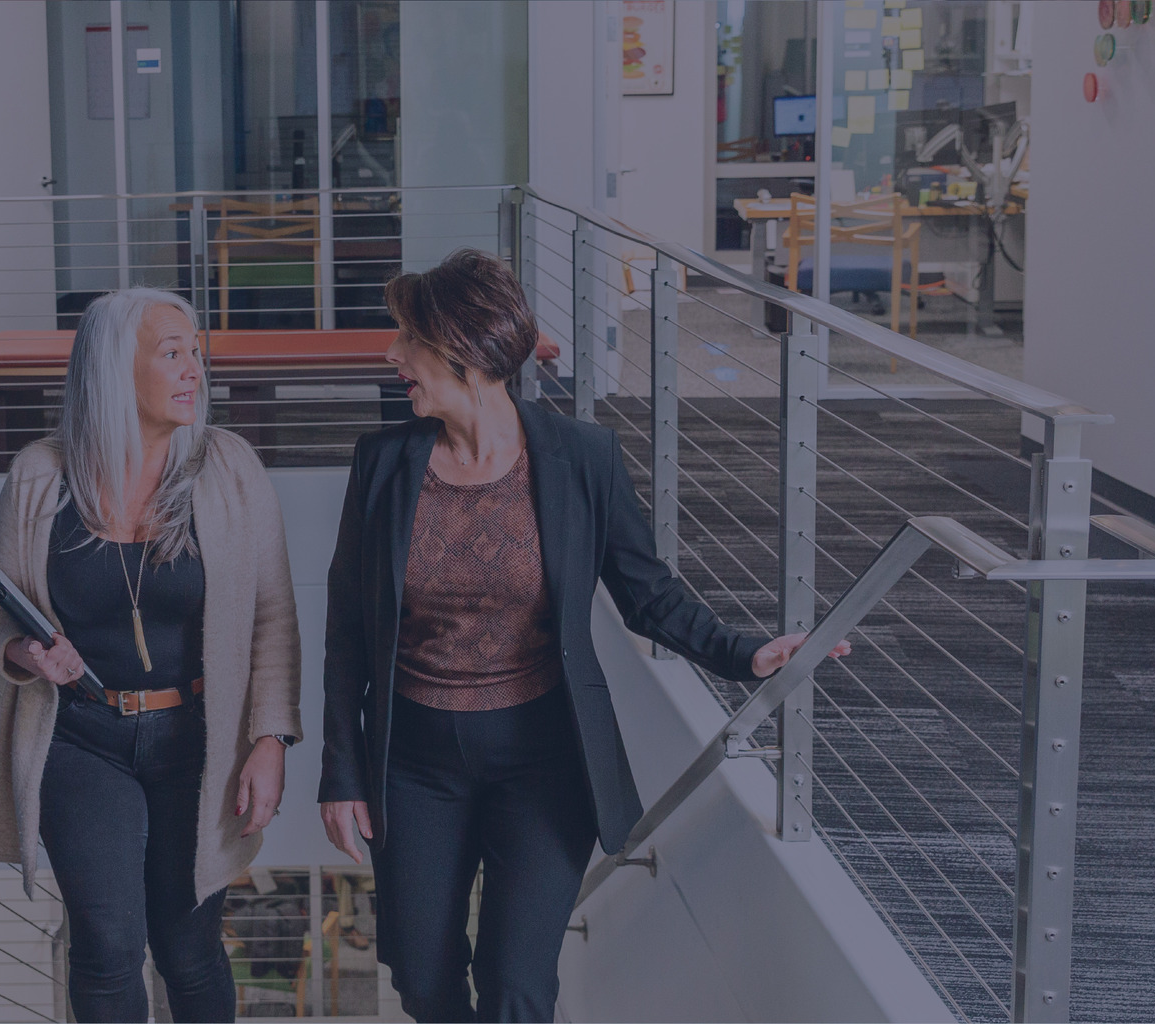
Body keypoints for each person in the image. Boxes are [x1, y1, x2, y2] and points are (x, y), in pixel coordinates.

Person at [315, 250, 847, 1023]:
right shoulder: (384, 464)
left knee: (516, 984)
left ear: (462, 353)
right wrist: (342, 770)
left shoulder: (580, 459)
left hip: (544, 759)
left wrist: (744, 652)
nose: (393, 356)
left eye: (409, 340)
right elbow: (347, 630)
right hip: (414, 762)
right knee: (421, 973)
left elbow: (646, 593)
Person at [0, 288, 302, 1023]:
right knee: (106, 946)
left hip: (198, 742)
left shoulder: (228, 468)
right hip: (84, 738)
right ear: (113, 369)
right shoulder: (39, 475)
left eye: (195, 352)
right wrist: (22, 649)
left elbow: (272, 615)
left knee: (188, 952)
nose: (194, 370)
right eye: (172, 353)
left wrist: (270, 738)